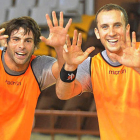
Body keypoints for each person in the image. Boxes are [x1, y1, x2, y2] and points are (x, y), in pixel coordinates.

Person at [56, 3, 140, 140]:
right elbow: (63, 93)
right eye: (105, 27)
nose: (111, 32)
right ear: (97, 33)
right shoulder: (92, 64)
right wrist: (69, 66)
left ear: (127, 28)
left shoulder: (138, 53)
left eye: (117, 25)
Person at [0, 11, 72, 140]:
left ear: (35, 46)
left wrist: (60, 48)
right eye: (16, 39)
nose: (21, 46)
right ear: (6, 42)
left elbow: (62, 72)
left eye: (28, 41)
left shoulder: (37, 66)